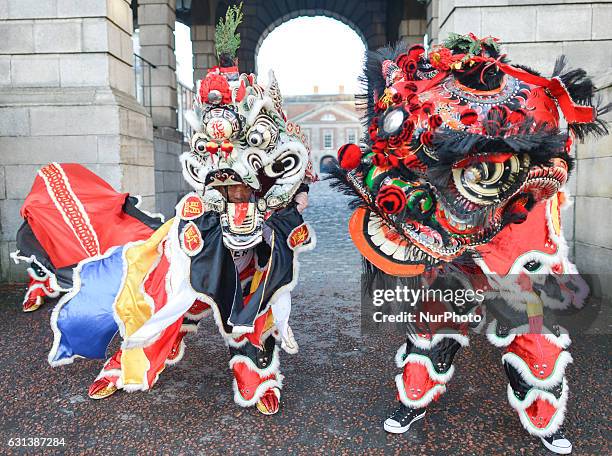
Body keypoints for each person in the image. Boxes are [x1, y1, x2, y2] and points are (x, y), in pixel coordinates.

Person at [12, 3, 316, 416]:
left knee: (253, 301)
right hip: (211, 229)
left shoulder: (270, 133)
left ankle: (257, 372)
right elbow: (203, 179)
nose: (218, 122)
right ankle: (133, 357)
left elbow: (295, 183)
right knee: (166, 285)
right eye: (213, 114)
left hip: (258, 234)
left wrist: (281, 205)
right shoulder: (210, 141)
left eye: (227, 107)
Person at [331, 33, 609, 454]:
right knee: (433, 322)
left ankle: (544, 416)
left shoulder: (527, 107)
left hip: (517, 243)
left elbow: (555, 164)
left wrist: (516, 184)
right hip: (451, 244)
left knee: (533, 331)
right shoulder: (427, 104)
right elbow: (394, 162)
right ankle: (414, 399)